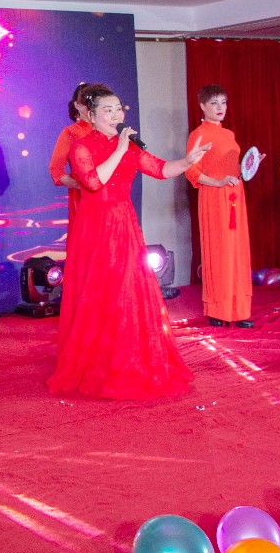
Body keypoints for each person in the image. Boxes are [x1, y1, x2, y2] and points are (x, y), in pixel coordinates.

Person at [47, 84, 208, 399]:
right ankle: (98, 362)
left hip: (124, 224)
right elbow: (93, 182)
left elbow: (160, 169)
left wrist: (187, 161)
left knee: (127, 292)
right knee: (101, 293)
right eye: (107, 110)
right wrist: (120, 149)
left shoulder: (131, 147)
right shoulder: (82, 146)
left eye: (118, 109)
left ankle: (127, 358)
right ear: (91, 116)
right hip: (95, 228)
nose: (115, 115)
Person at [186, 84, 257, 328]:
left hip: (235, 196)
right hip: (214, 196)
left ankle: (240, 311)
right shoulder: (198, 135)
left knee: (238, 251)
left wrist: (250, 166)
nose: (220, 108)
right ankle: (218, 310)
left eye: (223, 102)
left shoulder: (229, 134)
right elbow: (192, 171)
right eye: (214, 103)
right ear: (202, 106)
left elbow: (234, 169)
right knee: (219, 251)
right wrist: (217, 182)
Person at [48, 82, 93, 237]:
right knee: (87, 239)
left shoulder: (108, 131)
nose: (91, 105)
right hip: (84, 198)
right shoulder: (71, 132)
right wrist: (80, 186)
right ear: (77, 105)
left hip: (109, 196)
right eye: (86, 100)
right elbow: (56, 169)